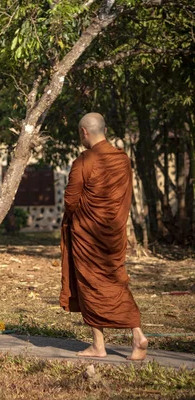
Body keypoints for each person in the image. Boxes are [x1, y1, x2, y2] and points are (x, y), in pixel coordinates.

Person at [59, 112, 147, 360]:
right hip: (114, 234)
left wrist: (78, 219)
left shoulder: (84, 162)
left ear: (84, 132)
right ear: (104, 130)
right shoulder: (122, 160)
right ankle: (137, 334)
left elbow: (71, 201)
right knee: (116, 279)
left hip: (88, 236)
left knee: (91, 285)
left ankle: (99, 345)